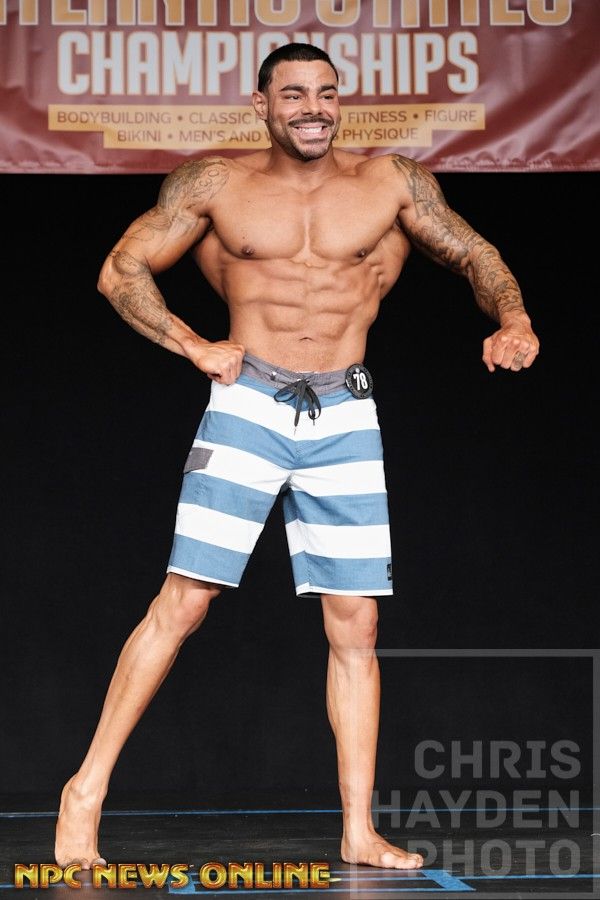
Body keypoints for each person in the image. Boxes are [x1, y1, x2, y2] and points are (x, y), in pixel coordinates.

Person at [54, 42, 539, 872]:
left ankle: (358, 830)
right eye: (294, 94)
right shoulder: (216, 183)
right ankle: (85, 792)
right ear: (262, 105)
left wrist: (514, 318)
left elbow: (474, 253)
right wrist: (192, 345)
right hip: (250, 403)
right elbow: (120, 269)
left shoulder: (391, 183)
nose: (313, 108)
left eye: (326, 93)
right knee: (185, 602)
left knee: (357, 624)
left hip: (346, 411)